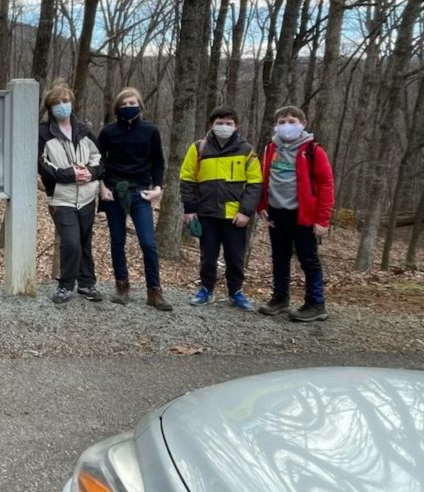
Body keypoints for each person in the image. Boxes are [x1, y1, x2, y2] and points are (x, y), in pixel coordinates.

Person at [179, 106, 262, 312]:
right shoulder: (199, 148)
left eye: (228, 123)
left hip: (235, 215)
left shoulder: (246, 150)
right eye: (219, 123)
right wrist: (189, 208)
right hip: (206, 213)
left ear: (236, 126)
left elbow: (255, 183)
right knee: (208, 256)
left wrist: (246, 212)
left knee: (235, 257)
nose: (224, 127)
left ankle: (236, 292)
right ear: (211, 125)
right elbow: (187, 178)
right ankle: (206, 289)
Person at [96, 87, 172, 311]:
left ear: (140, 105)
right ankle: (122, 286)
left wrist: (158, 188)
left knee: (148, 242)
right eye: (125, 104)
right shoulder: (108, 132)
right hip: (113, 191)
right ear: (118, 107)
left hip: (140, 191)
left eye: (133, 104)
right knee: (117, 240)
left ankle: (154, 291)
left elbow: (158, 161)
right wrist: (101, 187)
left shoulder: (151, 131)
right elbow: (98, 161)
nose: (129, 107)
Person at [257, 105, 334, 322]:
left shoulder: (313, 150)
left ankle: (316, 303)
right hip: (276, 212)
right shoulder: (270, 148)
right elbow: (264, 178)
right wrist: (261, 206)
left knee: (308, 259)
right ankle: (280, 298)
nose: (286, 125)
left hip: (304, 215)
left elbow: (326, 184)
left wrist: (322, 219)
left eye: (292, 121)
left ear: (303, 124)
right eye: (282, 122)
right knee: (279, 257)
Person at [38, 83, 104, 304]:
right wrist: (69, 175)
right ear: (50, 107)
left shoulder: (84, 130)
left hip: (86, 196)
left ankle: (87, 284)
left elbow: (100, 158)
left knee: (84, 241)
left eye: (65, 101)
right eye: (56, 103)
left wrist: (91, 172)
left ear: (72, 102)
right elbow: (41, 164)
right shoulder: (43, 132)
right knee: (71, 241)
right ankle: (66, 285)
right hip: (61, 197)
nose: (62, 106)